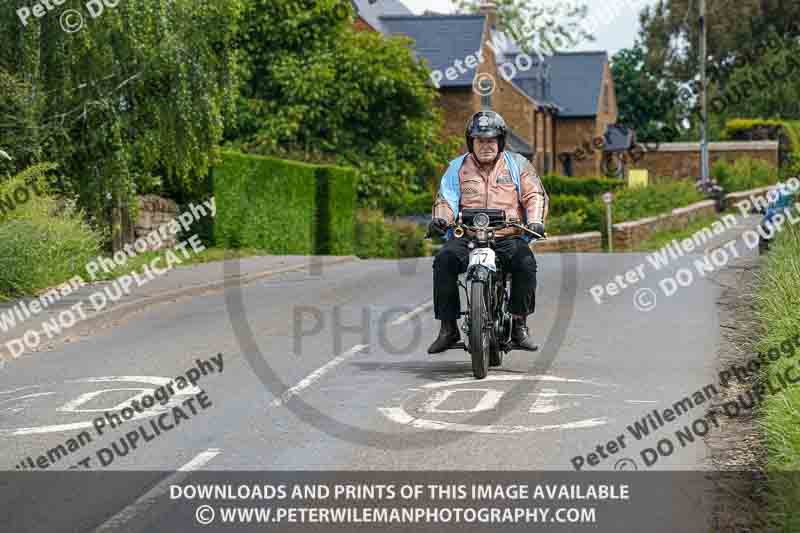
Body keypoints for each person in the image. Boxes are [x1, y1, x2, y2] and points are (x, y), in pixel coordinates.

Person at [427, 110, 548, 354]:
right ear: (470, 142)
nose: (486, 146)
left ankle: (519, 325)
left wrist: (535, 221)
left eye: (491, 140)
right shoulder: (456, 167)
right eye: (480, 140)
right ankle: (448, 328)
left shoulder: (518, 164)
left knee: (525, 262)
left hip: (507, 236)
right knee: (444, 260)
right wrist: (441, 219)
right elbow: (446, 200)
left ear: (500, 141)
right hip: (469, 237)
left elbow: (534, 194)